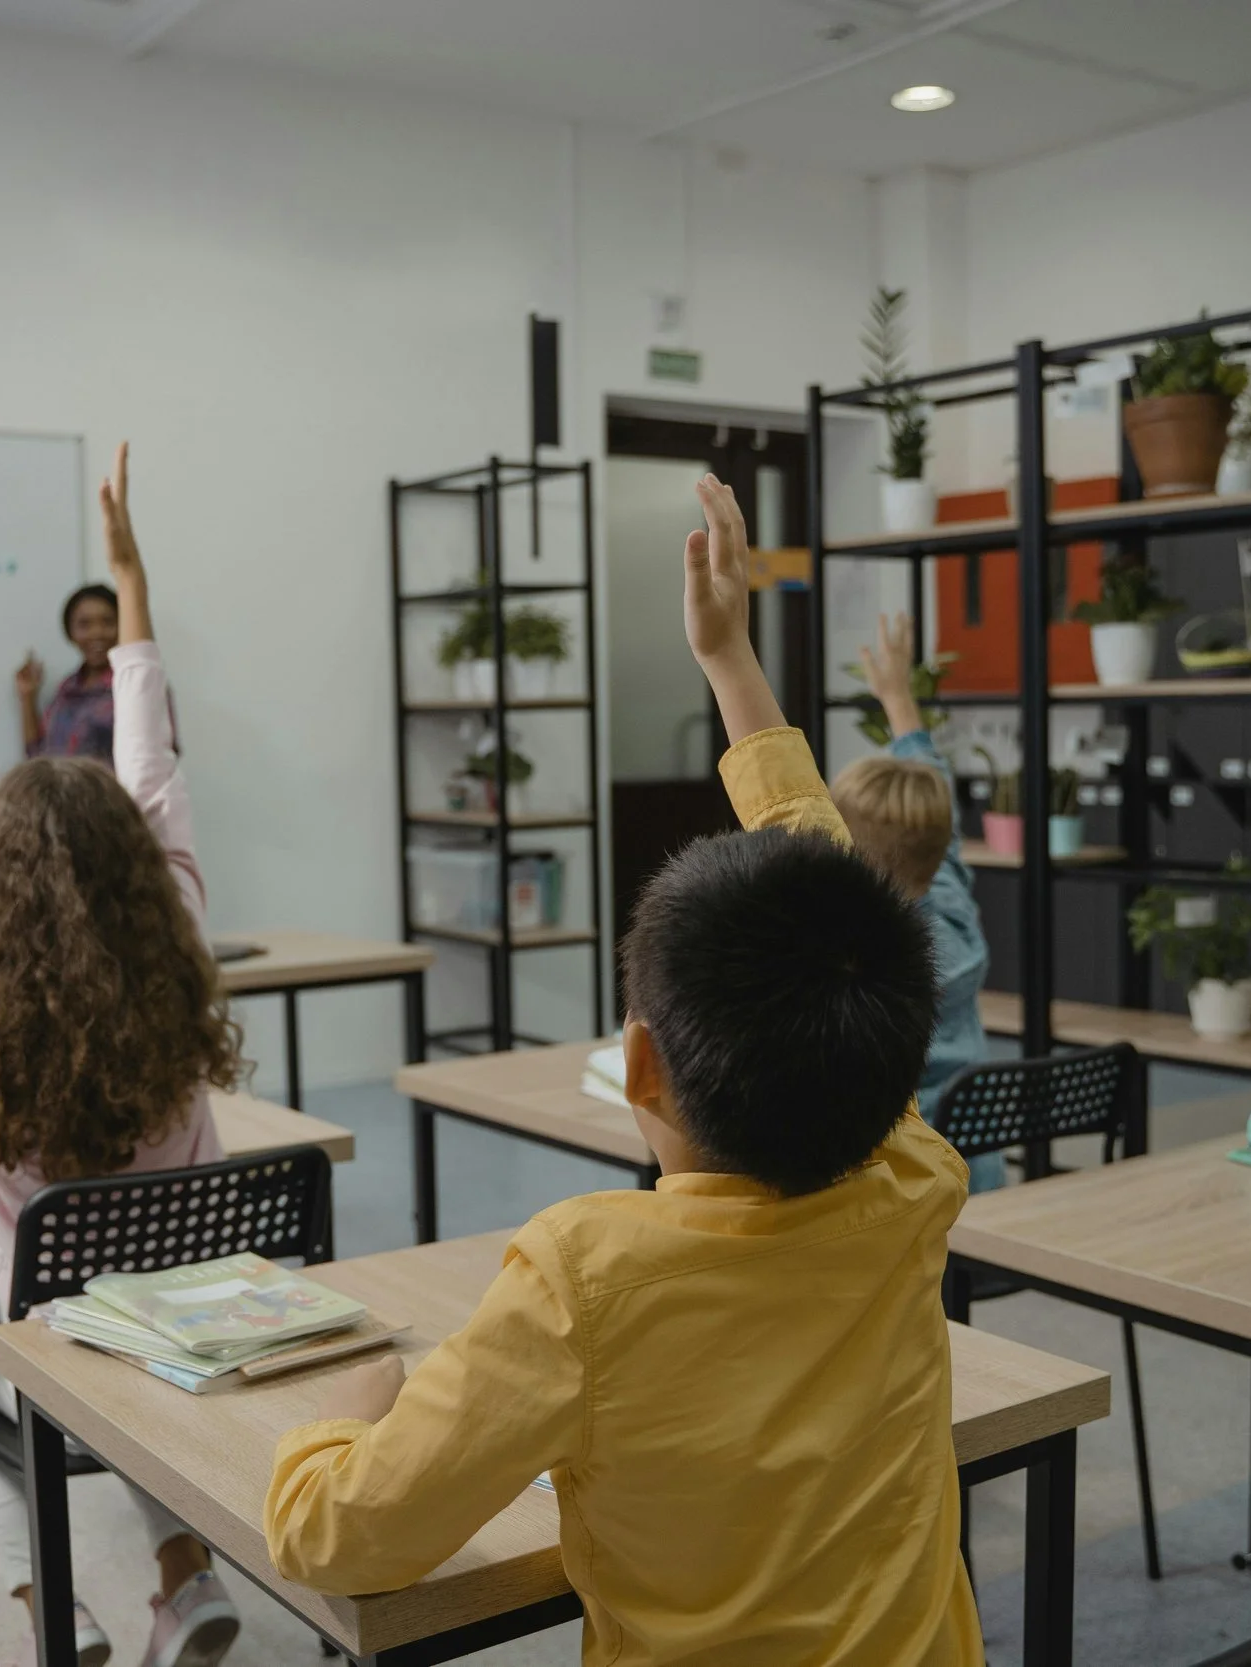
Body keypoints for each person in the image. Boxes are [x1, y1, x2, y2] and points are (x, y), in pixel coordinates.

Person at [263, 475, 980, 1665]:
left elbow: (338, 1535)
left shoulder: (581, 1278)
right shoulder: (907, 1172)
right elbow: (821, 863)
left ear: (637, 1061)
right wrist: (730, 663)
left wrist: (333, 1427)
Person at [0, 443, 247, 1667]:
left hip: (71, 1337)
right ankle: (185, 1577)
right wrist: (133, 575)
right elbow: (149, 755)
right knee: (130, 1349)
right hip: (195, 1316)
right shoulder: (178, 923)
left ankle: (55, 1616)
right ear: (143, 866)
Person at [834, 610, 1002, 1192]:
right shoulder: (948, 897)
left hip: (900, 1202)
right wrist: (897, 696)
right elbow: (939, 813)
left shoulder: (862, 966)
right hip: (977, 1179)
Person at [17, 582, 121, 762]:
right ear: (70, 632)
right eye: (84, 624)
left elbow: (156, 759)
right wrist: (28, 698)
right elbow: (38, 755)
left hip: (111, 791)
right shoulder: (67, 689)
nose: (97, 632)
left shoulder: (136, 685)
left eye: (108, 622)